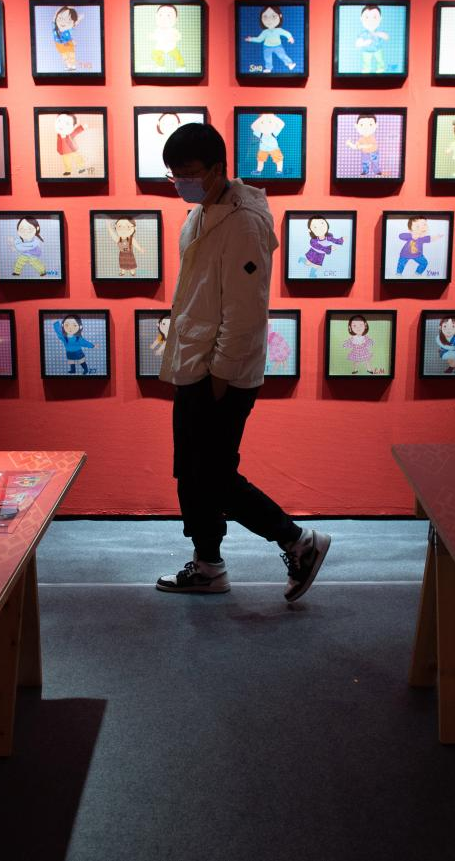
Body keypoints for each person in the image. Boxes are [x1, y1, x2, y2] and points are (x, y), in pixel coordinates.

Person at [156, 122, 330, 600]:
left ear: (217, 169)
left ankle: (299, 541)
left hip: (221, 373)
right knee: (192, 472)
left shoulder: (244, 222)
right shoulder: (202, 212)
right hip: (196, 364)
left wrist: (221, 375)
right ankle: (207, 564)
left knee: (212, 475)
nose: (181, 183)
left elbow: (245, 311)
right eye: (174, 175)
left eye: (189, 173)